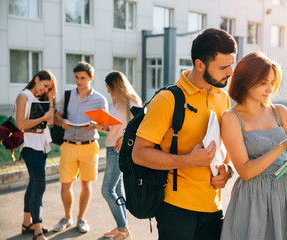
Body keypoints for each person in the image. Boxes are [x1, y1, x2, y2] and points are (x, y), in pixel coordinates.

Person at [132, 28, 236, 240]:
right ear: (200, 64)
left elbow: (222, 150)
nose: (230, 72)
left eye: (231, 64)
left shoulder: (222, 98)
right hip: (175, 209)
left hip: (213, 207)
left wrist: (227, 170)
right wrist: (187, 160)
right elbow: (139, 154)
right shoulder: (167, 99)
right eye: (224, 67)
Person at [220, 51, 287, 239]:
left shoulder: (280, 111)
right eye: (263, 82)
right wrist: (282, 146)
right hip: (253, 198)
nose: (270, 88)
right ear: (245, 81)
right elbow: (246, 172)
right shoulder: (231, 118)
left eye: (272, 83)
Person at [53, 62, 108, 233]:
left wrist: (95, 126)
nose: (79, 81)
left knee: (86, 184)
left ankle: (81, 219)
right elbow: (57, 117)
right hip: (68, 144)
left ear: (91, 78)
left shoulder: (100, 99)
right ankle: (67, 217)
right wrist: (61, 122)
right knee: (65, 184)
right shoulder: (67, 95)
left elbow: (106, 127)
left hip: (89, 146)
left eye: (82, 78)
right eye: (76, 77)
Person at [97, 71, 142, 240]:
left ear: (116, 85)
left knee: (107, 190)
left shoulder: (131, 101)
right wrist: (102, 126)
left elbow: (140, 125)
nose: (107, 90)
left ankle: (124, 229)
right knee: (116, 190)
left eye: (109, 87)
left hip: (119, 150)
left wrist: (125, 136)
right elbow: (116, 125)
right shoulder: (115, 102)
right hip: (110, 146)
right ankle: (121, 226)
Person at [15, 70, 57, 240]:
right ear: (37, 79)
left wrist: (51, 99)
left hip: (41, 146)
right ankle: (37, 229)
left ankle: (27, 223)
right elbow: (20, 124)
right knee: (40, 186)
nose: (45, 90)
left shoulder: (42, 99)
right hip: (29, 146)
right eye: (45, 86)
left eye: (49, 88)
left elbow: (52, 122)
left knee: (34, 184)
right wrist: (43, 118)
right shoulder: (23, 96)